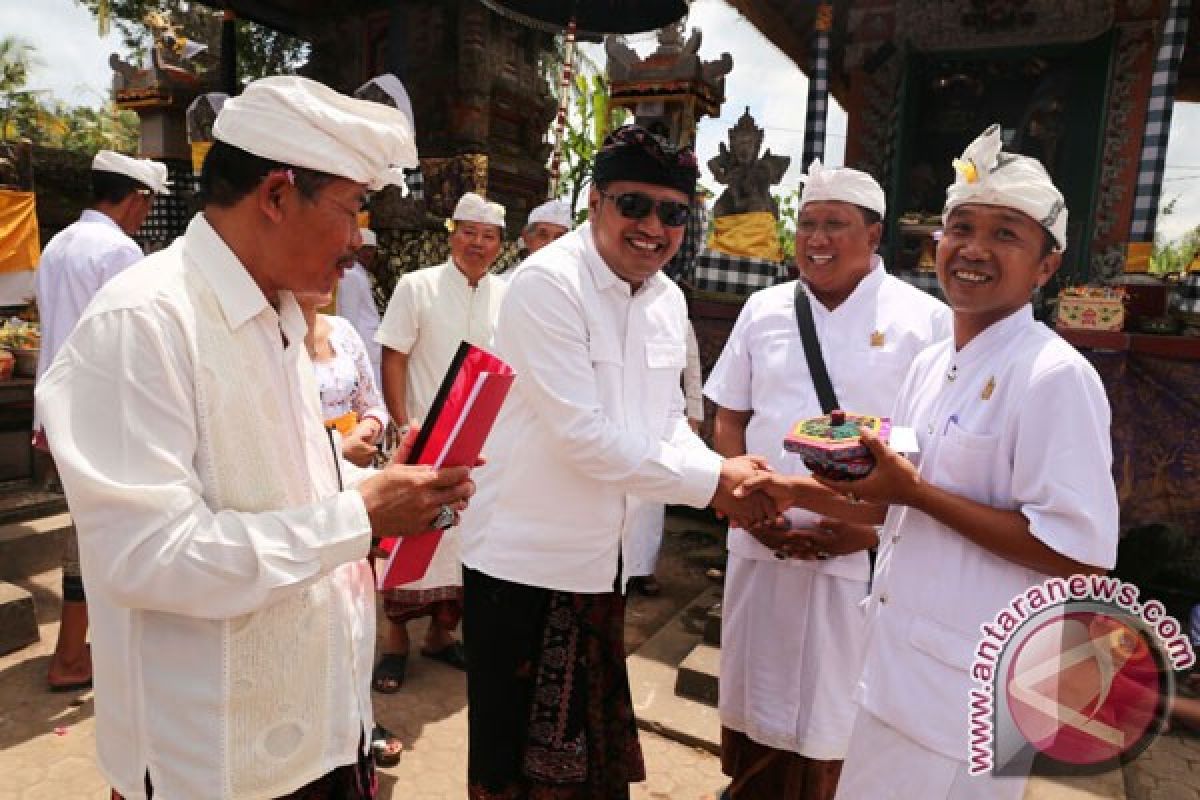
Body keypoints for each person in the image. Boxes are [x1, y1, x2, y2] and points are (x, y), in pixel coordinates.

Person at [36, 75, 478, 800]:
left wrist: (372, 480)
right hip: (213, 762)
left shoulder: (279, 313)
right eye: (350, 209)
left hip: (319, 729)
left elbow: (273, 473)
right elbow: (146, 559)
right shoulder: (144, 322)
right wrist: (361, 516)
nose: (356, 239)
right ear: (276, 195)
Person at [745, 125, 1120, 800]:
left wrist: (915, 495)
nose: (974, 249)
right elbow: (898, 499)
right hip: (894, 668)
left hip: (974, 692)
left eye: (1006, 234)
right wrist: (785, 487)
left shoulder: (1053, 376)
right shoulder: (931, 364)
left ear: (1046, 265)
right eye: (960, 228)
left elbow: (1081, 554)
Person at [456, 124, 779, 800]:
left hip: (607, 566)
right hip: (525, 564)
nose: (653, 227)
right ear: (596, 201)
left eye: (673, 213)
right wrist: (719, 481)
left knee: (590, 769)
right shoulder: (547, 285)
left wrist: (720, 471)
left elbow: (665, 422)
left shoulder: (667, 299)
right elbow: (584, 437)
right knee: (516, 767)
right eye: (634, 204)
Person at [703, 160, 951, 800]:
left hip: (864, 555)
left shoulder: (925, 320)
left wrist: (864, 533)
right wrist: (743, 506)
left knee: (838, 708)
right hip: (760, 538)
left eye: (835, 224)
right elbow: (729, 416)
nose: (817, 238)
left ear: (874, 234)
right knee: (756, 689)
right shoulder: (764, 309)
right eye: (807, 223)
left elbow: (933, 457)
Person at [33, 149, 170, 693]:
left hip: (58, 407)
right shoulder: (120, 251)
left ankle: (82, 648)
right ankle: (72, 656)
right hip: (102, 413)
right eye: (146, 206)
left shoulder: (58, 244)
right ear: (136, 200)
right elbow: (134, 342)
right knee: (101, 533)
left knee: (91, 529)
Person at [373, 190, 507, 691]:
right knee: (413, 537)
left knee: (465, 542)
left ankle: (441, 634)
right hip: (425, 440)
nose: (478, 243)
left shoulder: (507, 296)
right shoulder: (418, 286)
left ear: (500, 245)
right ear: (453, 234)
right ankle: (395, 642)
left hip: (482, 448)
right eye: (469, 232)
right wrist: (403, 421)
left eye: (488, 236)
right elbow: (394, 355)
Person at [625, 318, 706, 598]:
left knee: (650, 503)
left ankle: (643, 567)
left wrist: (694, 413)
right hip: (619, 425)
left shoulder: (673, 306)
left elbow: (691, 367)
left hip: (659, 422)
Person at [337, 228, 384, 385]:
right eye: (365, 249)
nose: (368, 254)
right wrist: (350, 354)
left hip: (370, 348)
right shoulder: (351, 275)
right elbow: (348, 318)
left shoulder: (361, 274)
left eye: (372, 250)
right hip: (361, 348)